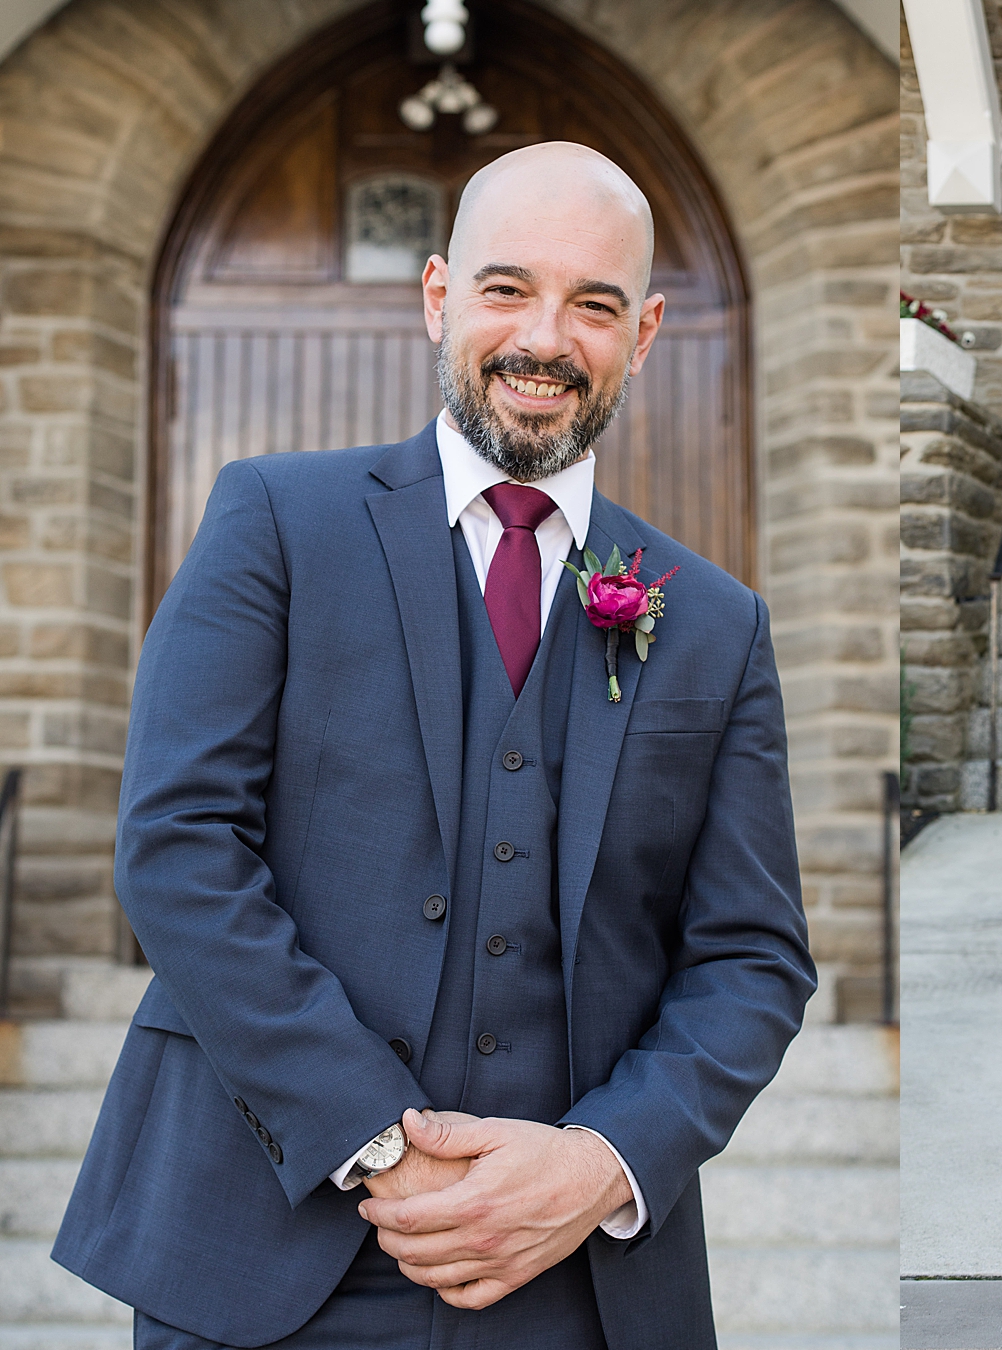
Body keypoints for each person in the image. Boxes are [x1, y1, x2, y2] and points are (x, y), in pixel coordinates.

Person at [52, 142, 814, 1348]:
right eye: (507, 288)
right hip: (264, 1247)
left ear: (647, 331)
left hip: (575, 1284)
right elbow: (180, 848)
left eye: (595, 305)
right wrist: (375, 1140)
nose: (546, 339)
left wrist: (601, 1163)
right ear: (438, 296)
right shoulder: (276, 521)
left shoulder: (714, 619)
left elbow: (755, 958)